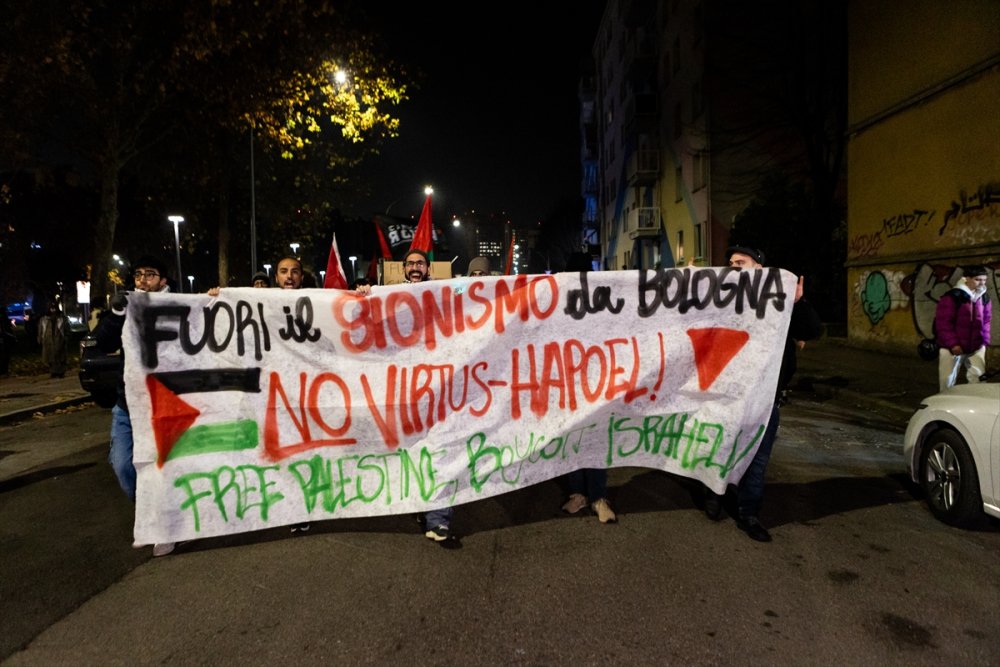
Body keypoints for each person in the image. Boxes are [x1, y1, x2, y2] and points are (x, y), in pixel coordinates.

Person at [703, 246, 822, 542]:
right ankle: (715, 494)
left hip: (765, 400)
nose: (734, 268)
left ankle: (748, 513)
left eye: (740, 263)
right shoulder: (721, 300)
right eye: (730, 264)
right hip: (726, 395)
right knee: (720, 448)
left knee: (757, 458)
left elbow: (811, 330)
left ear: (759, 267)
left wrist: (798, 302)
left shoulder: (779, 304)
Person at [356, 249, 457, 542]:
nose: (415, 267)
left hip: (438, 388)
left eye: (420, 263)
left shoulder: (443, 294)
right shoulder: (388, 297)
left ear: (428, 268)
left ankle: (439, 520)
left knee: (440, 450)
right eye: (410, 263)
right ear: (403, 269)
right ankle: (421, 504)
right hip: (403, 391)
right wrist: (364, 292)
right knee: (411, 451)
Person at [94, 255, 176, 557]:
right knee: (123, 465)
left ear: (163, 281)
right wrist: (115, 314)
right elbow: (102, 342)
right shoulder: (125, 308)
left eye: (150, 275)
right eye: (139, 275)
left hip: (163, 407)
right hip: (127, 407)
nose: (143, 280)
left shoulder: (178, 306)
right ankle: (151, 513)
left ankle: (162, 526)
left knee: (163, 468)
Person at [560, 251, 617, 523]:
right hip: (566, 384)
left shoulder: (603, 300)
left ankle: (597, 496)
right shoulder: (558, 302)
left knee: (594, 440)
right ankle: (578, 494)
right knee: (572, 440)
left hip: (596, 383)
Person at [934, 265, 991, 391]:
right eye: (977, 279)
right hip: (953, 347)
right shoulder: (953, 297)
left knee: (979, 378)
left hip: (975, 346)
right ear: (966, 279)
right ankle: (945, 403)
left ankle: (977, 402)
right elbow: (943, 323)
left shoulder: (984, 297)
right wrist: (953, 344)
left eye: (984, 280)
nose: (981, 283)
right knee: (947, 380)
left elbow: (986, 320)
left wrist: (984, 340)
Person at [37, 301, 70, 377]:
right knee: (50, 357)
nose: (53, 310)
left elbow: (67, 329)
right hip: (48, 340)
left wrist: (66, 338)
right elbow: (40, 330)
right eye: (52, 308)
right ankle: (53, 372)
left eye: (54, 308)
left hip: (59, 339)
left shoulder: (62, 319)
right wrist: (40, 338)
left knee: (60, 356)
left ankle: (60, 372)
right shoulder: (44, 319)